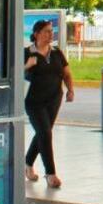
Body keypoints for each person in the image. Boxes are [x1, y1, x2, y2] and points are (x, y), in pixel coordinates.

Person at [24, 20, 74, 189]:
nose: (50, 34)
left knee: (43, 133)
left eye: (51, 31)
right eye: (46, 31)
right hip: (33, 101)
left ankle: (27, 164)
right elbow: (15, 74)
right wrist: (27, 66)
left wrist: (70, 90)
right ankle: (50, 173)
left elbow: (66, 73)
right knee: (45, 132)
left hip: (54, 99)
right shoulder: (27, 53)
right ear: (36, 34)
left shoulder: (57, 53)